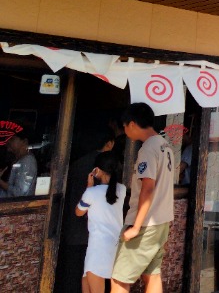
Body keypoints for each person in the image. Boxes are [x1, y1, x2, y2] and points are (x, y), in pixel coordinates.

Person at [111, 103, 174, 293]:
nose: (125, 131)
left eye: (124, 126)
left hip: (145, 224)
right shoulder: (166, 146)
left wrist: (136, 227)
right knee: (152, 275)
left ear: (131, 124)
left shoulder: (148, 149)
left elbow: (147, 188)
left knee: (119, 278)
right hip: (161, 222)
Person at [57, 128, 116, 293]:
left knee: (73, 275)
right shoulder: (104, 172)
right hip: (93, 234)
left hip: (73, 229)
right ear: (110, 143)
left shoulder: (78, 163)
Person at [75, 151, 126, 293]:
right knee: (87, 282)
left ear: (98, 170)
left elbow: (78, 212)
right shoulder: (121, 190)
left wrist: (89, 187)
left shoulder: (91, 193)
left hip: (97, 249)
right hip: (115, 246)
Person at [0, 132, 37, 197]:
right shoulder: (17, 160)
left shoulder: (28, 161)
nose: (8, 142)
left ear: (24, 141)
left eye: (12, 139)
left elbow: (20, 193)